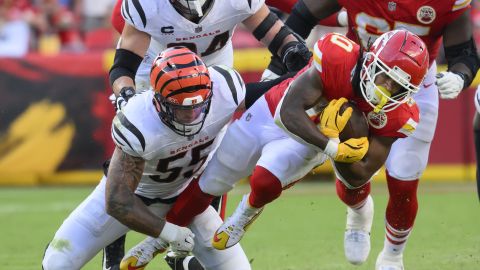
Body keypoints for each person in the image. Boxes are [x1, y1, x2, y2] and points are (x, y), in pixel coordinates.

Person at [163, 30, 428, 260]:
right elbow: (288, 112)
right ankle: (160, 238)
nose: (386, 89)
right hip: (282, 111)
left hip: (314, 139)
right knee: (212, 179)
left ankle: (248, 210)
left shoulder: (399, 114)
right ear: (372, 61)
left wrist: (340, 140)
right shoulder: (339, 57)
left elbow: (361, 173)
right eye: (385, 77)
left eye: (398, 88)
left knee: (274, 182)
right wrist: (332, 146)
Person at [265, 0, 480, 269]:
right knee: (352, 165)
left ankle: (392, 255)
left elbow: (464, 52)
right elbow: (303, 14)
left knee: (404, 177)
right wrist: (277, 66)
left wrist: (460, 75)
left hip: (412, 91)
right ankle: (358, 210)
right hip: (357, 78)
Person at [106, 1, 311, 268]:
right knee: (138, 163)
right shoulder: (148, 5)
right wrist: (127, 94)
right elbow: (123, 63)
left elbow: (272, 29)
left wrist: (293, 51)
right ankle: (113, 247)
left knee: (207, 159)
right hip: (157, 86)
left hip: (213, 85)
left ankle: (186, 251)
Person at [42, 47, 258, 270]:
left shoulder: (226, 88)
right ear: (159, 98)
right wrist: (170, 233)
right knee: (58, 261)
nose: (192, 115)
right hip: (137, 198)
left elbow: (267, 98)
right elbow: (118, 201)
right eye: (181, 108)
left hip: (184, 200)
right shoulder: (139, 121)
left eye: (198, 106)